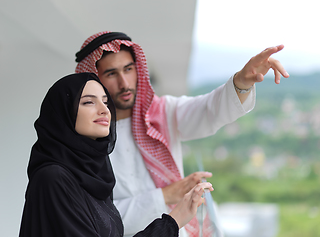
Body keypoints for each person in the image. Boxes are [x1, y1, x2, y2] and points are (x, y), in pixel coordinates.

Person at [75, 31, 289, 237]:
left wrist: (242, 82)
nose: (124, 83)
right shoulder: (82, 140)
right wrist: (165, 196)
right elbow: (94, 217)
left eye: (129, 69)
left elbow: (209, 110)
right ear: (94, 81)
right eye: (112, 74)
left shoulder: (163, 113)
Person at [18, 72, 214, 237]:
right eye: (88, 102)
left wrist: (174, 222)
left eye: (105, 101)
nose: (104, 110)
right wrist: (172, 222)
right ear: (63, 114)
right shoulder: (54, 179)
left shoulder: (94, 175)